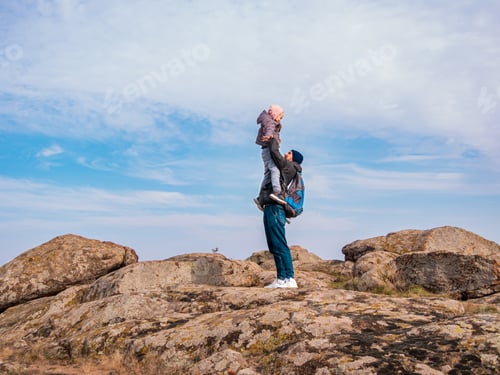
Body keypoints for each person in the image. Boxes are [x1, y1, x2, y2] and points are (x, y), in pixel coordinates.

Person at [256, 137, 304, 288]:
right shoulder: (286, 167)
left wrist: (271, 139)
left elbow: (275, 153)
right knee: (274, 245)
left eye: (289, 153)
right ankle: (281, 278)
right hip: (270, 207)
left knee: (280, 244)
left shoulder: (289, 167)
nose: (286, 154)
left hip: (276, 208)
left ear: (293, 158)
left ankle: (290, 278)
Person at [255, 104, 287, 205]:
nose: (279, 120)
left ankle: (260, 196)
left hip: (265, 150)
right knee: (275, 169)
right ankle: (277, 191)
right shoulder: (270, 121)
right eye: (279, 117)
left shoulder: (269, 120)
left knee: (268, 173)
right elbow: (269, 128)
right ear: (274, 114)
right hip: (269, 149)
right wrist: (269, 136)